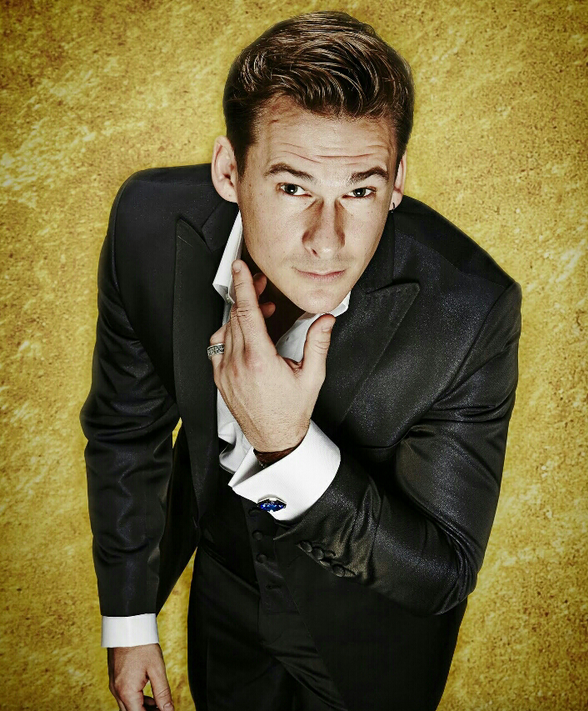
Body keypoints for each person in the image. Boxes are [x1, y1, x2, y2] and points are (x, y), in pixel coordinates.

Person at [80, 11, 521, 711]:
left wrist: (286, 446)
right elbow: (126, 430)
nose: (327, 240)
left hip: (373, 646)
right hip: (226, 602)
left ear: (397, 182)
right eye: (293, 188)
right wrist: (130, 623)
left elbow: (441, 570)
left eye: (360, 191)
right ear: (229, 171)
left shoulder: (470, 309)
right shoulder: (147, 226)